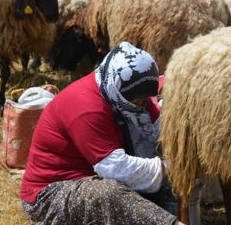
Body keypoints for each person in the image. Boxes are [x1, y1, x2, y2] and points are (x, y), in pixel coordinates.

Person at [20, 42, 184, 225]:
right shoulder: (87, 108)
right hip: (50, 195)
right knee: (107, 194)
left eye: (144, 100)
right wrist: (168, 169)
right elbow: (115, 169)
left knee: (148, 184)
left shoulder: (119, 91)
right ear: (118, 90)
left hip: (94, 177)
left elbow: (156, 124)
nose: (141, 105)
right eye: (137, 101)